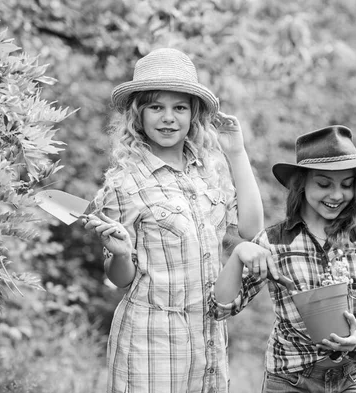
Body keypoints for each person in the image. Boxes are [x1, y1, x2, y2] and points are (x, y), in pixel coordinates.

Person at [81, 47, 264, 393]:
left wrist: (237, 152)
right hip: (151, 341)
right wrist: (120, 254)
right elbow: (121, 279)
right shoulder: (124, 183)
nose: (168, 118)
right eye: (156, 107)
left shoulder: (207, 171)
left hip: (207, 337)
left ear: (193, 114)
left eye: (179, 107)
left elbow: (251, 230)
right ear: (139, 114)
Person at [210, 125, 356, 392]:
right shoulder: (274, 241)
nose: (336, 195)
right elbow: (221, 308)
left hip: (349, 379)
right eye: (323, 184)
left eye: (347, 185)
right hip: (289, 379)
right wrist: (240, 253)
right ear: (302, 184)